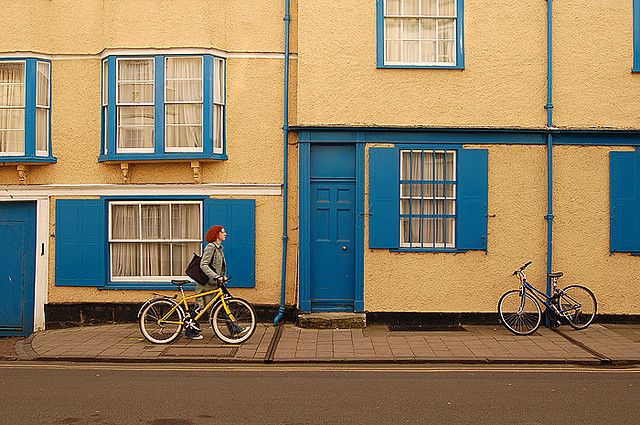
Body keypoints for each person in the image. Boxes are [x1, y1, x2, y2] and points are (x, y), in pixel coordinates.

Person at [184, 225, 228, 340]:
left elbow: (217, 266)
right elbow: (204, 264)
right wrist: (216, 276)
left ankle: (234, 329)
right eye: (223, 232)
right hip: (206, 285)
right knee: (200, 307)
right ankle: (190, 331)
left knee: (225, 305)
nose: (225, 234)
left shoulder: (219, 248)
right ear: (217, 234)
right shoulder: (211, 247)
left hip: (215, 284)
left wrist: (222, 277)